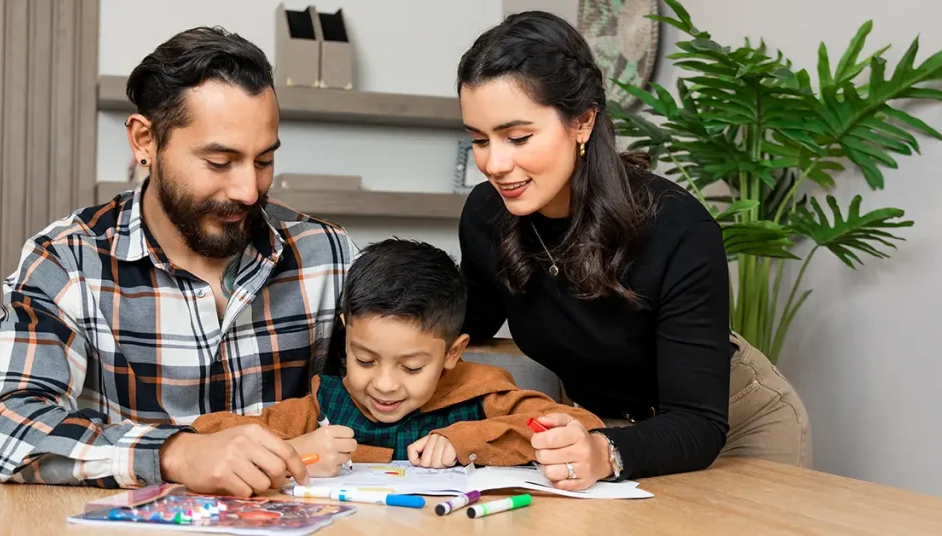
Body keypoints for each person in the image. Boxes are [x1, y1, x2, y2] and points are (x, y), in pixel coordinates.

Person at [0, 27, 358, 497]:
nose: (249, 191)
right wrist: (174, 453)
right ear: (145, 140)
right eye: (219, 161)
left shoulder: (328, 256)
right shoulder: (69, 261)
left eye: (264, 160)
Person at [455, 12, 811, 491]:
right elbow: (466, 321)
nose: (494, 164)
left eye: (518, 137)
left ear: (582, 121)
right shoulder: (488, 216)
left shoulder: (677, 227)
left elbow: (699, 420)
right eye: (479, 139)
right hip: (598, 429)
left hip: (729, 427)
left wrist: (604, 449)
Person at [192, 239, 604, 470]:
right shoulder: (325, 403)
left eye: (411, 367)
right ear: (345, 333)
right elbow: (212, 433)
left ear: (452, 353)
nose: (384, 384)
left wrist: (467, 439)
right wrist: (299, 449)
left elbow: (576, 425)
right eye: (365, 360)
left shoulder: (483, 395)